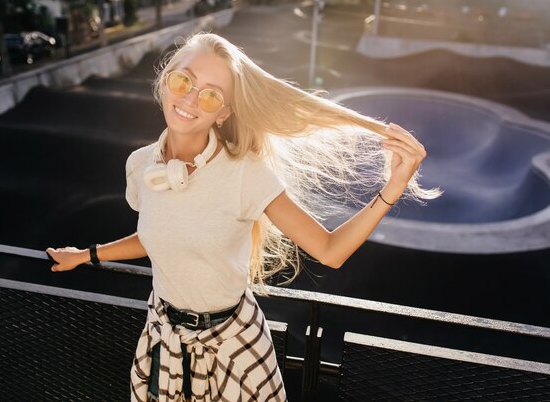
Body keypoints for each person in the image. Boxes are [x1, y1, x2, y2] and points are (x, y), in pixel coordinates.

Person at [45, 32, 441, 402]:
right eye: (184, 81)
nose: (190, 99)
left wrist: (394, 185)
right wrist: (86, 255)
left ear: (224, 113)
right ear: (167, 81)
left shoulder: (246, 174)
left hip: (234, 345)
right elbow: (155, 237)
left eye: (211, 96)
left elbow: (330, 251)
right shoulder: (139, 165)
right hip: (164, 337)